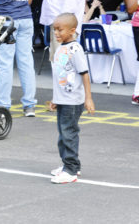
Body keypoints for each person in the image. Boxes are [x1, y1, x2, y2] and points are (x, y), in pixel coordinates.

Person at [49, 13, 95, 184]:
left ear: (72, 30)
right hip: (63, 99)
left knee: (68, 134)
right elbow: (60, 77)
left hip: (73, 100)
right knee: (63, 134)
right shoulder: (62, 47)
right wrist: (55, 98)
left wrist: (88, 98)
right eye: (55, 30)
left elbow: (84, 74)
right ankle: (70, 165)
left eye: (60, 30)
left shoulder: (75, 49)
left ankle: (71, 170)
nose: (56, 33)